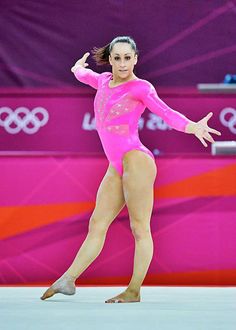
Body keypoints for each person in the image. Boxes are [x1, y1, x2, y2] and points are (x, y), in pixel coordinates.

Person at [40, 36, 221, 303]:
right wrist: (76, 69)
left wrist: (192, 126)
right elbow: (84, 74)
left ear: (136, 58)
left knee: (139, 227)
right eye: (118, 58)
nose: (123, 63)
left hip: (135, 159)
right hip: (116, 165)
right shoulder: (102, 81)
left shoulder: (141, 88)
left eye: (128, 58)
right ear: (110, 60)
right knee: (97, 224)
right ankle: (68, 279)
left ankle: (134, 289)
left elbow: (166, 113)